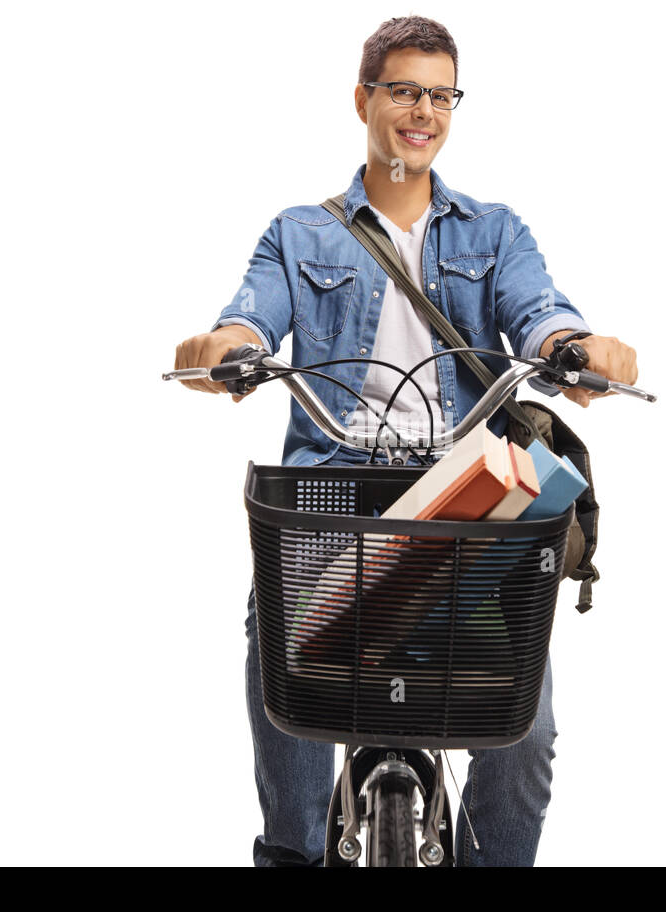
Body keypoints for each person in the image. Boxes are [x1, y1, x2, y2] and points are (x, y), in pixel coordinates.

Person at [174, 15, 638, 866]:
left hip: (473, 503)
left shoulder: (493, 232)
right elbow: (249, 318)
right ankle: (293, 853)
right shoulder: (301, 233)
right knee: (274, 644)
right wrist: (225, 352)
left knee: (523, 733)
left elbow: (538, 312)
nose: (422, 110)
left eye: (440, 94)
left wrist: (574, 349)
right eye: (403, 90)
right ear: (364, 100)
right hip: (337, 499)